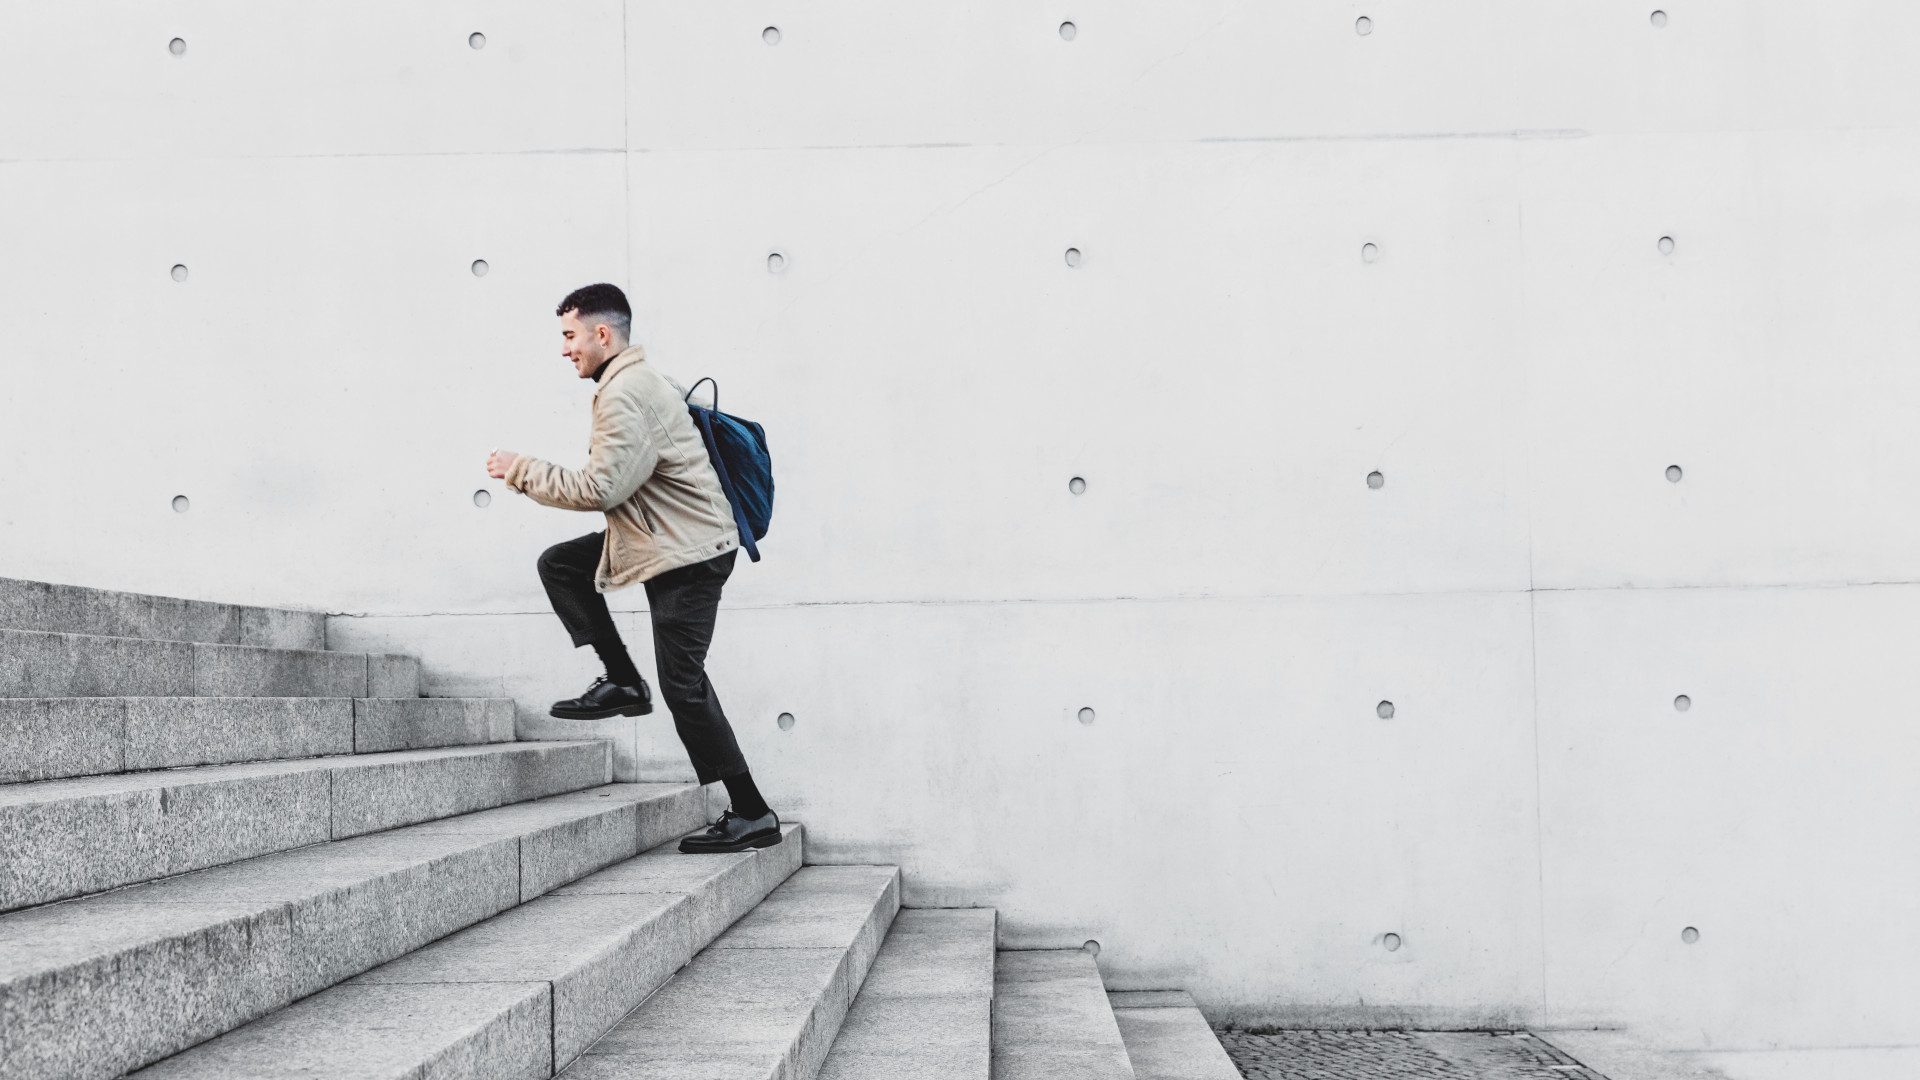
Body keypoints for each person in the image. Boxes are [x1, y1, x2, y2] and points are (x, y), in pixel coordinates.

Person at [485, 283, 779, 854]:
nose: (565, 349)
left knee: (684, 685)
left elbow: (601, 487)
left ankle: (752, 813)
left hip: (688, 554)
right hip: (659, 539)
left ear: (602, 333)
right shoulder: (636, 381)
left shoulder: (625, 393)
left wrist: (521, 469)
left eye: (570, 336)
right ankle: (622, 680)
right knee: (563, 565)